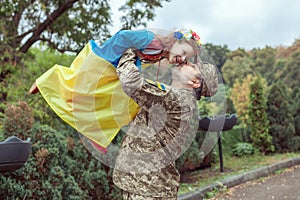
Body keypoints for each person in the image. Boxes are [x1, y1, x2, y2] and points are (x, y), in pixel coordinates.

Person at [29, 29, 203, 153]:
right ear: (174, 42)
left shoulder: (160, 54)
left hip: (116, 69)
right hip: (107, 60)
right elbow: (123, 36)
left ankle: (94, 131)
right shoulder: (152, 40)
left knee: (123, 102)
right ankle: (47, 79)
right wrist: (121, 56)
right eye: (182, 53)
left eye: (185, 59)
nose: (181, 59)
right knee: (79, 89)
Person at [112, 48, 218, 199]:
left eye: (193, 66)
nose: (185, 61)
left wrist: (129, 49)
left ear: (195, 82)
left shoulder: (178, 100)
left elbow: (131, 82)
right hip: (146, 186)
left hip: (149, 189)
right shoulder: (178, 98)